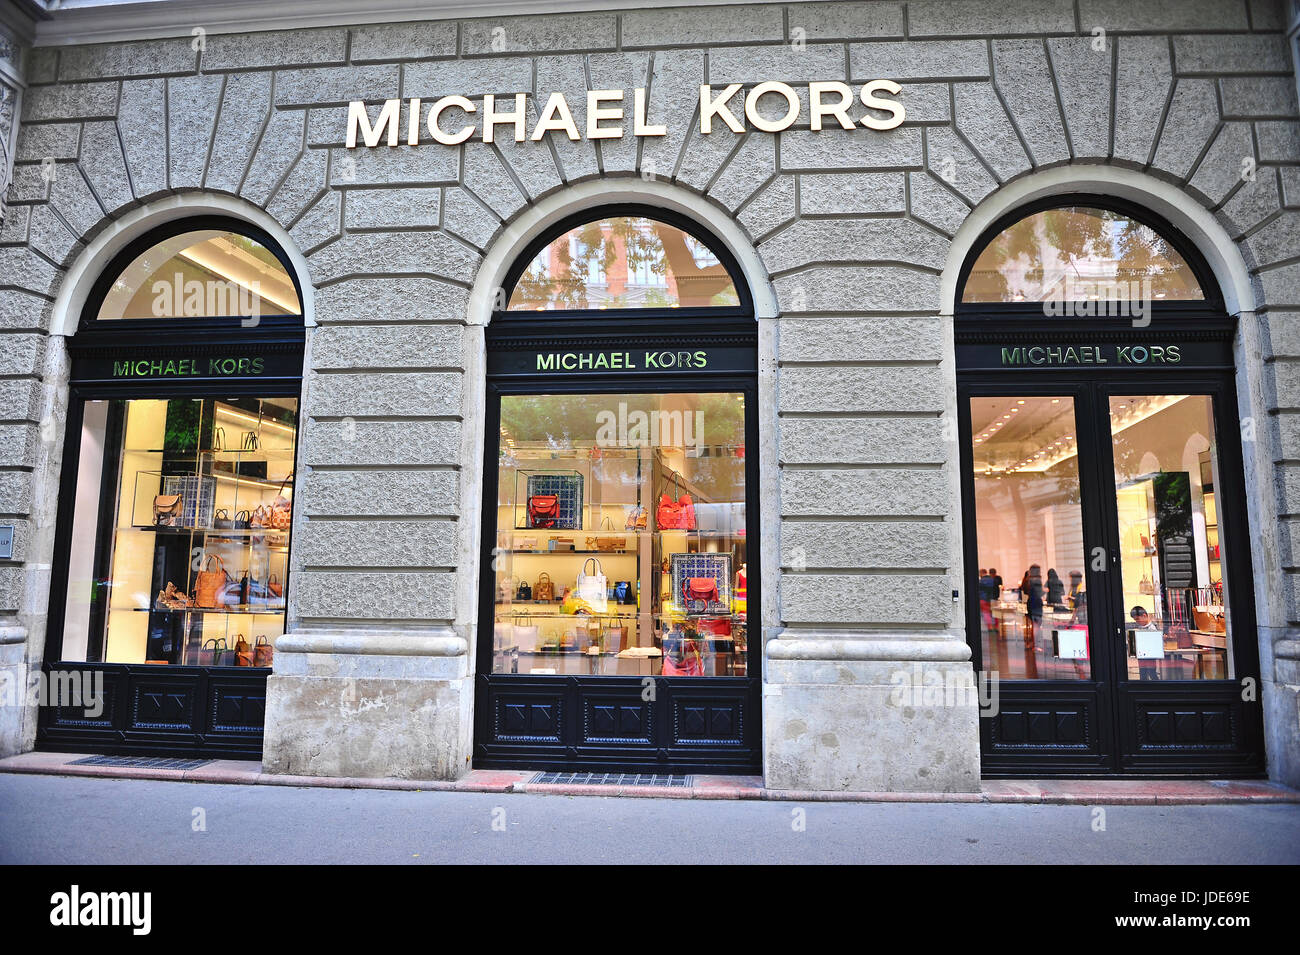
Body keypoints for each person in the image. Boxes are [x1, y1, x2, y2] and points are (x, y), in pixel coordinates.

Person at [1022, 564, 1043, 649]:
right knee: (1037, 625)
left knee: (1034, 625)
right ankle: (1034, 644)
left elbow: (1026, 591)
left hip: (1030, 602)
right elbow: (1039, 592)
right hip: (1036, 603)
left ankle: (1032, 643)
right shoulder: (1037, 580)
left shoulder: (1028, 580)